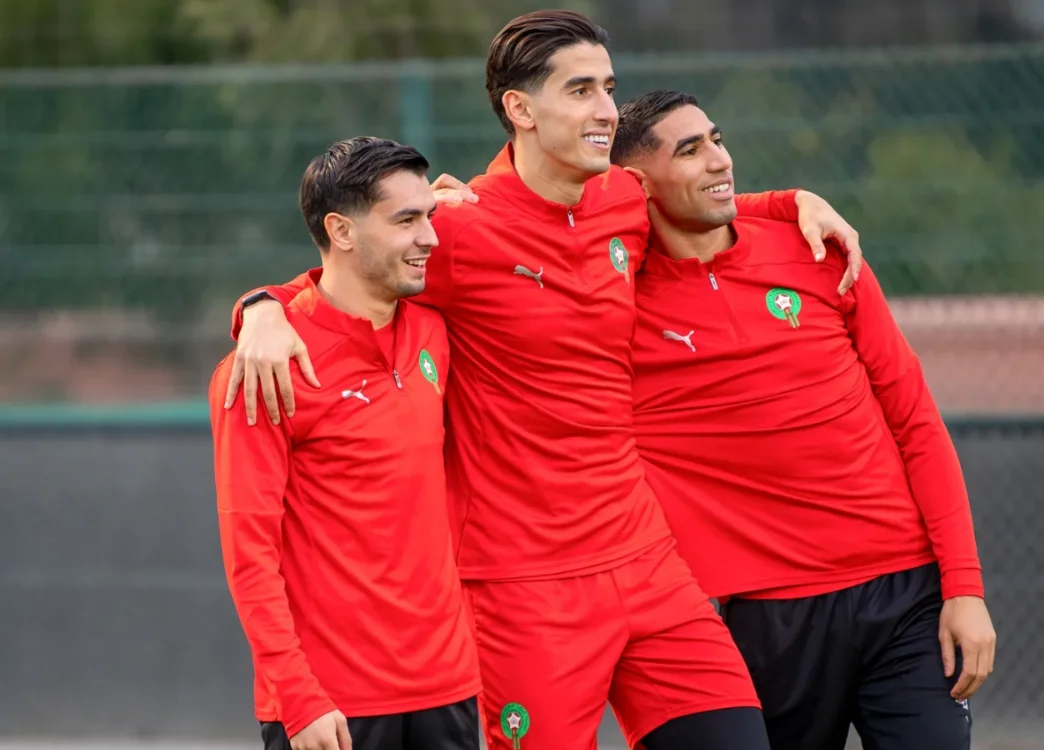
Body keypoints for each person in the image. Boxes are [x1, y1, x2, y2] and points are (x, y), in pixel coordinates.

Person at [219, 11, 866, 750]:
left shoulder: (623, 199)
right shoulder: (458, 231)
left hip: (646, 560)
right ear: (519, 110)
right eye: (581, 89)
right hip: (523, 590)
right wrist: (261, 309)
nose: (605, 111)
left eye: (609, 88)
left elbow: (700, 204)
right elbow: (352, 271)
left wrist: (788, 203)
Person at [611, 89, 998, 750]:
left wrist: (964, 587)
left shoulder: (818, 249)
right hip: (760, 619)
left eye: (716, 139)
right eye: (690, 150)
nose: (718, 160)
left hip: (904, 597)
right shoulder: (614, 297)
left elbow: (917, 423)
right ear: (636, 185)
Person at [208, 136, 481, 750]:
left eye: (429, 216)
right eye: (405, 220)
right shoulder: (262, 367)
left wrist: (258, 302)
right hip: (332, 705)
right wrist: (297, 697)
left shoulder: (436, 331)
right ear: (342, 230)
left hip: (450, 690)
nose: (429, 238)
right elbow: (250, 555)